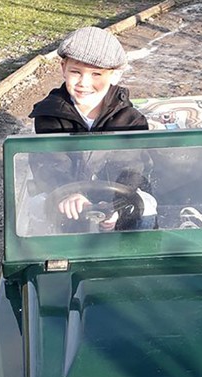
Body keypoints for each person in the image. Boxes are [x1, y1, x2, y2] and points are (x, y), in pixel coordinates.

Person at [28, 26, 155, 232]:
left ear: (114, 75)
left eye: (96, 74)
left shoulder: (130, 120)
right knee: (37, 207)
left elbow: (130, 167)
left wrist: (117, 205)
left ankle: (144, 253)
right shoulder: (50, 115)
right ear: (63, 68)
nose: (84, 82)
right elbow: (50, 162)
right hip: (71, 201)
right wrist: (69, 193)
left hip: (117, 200)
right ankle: (54, 258)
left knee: (148, 206)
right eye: (76, 72)